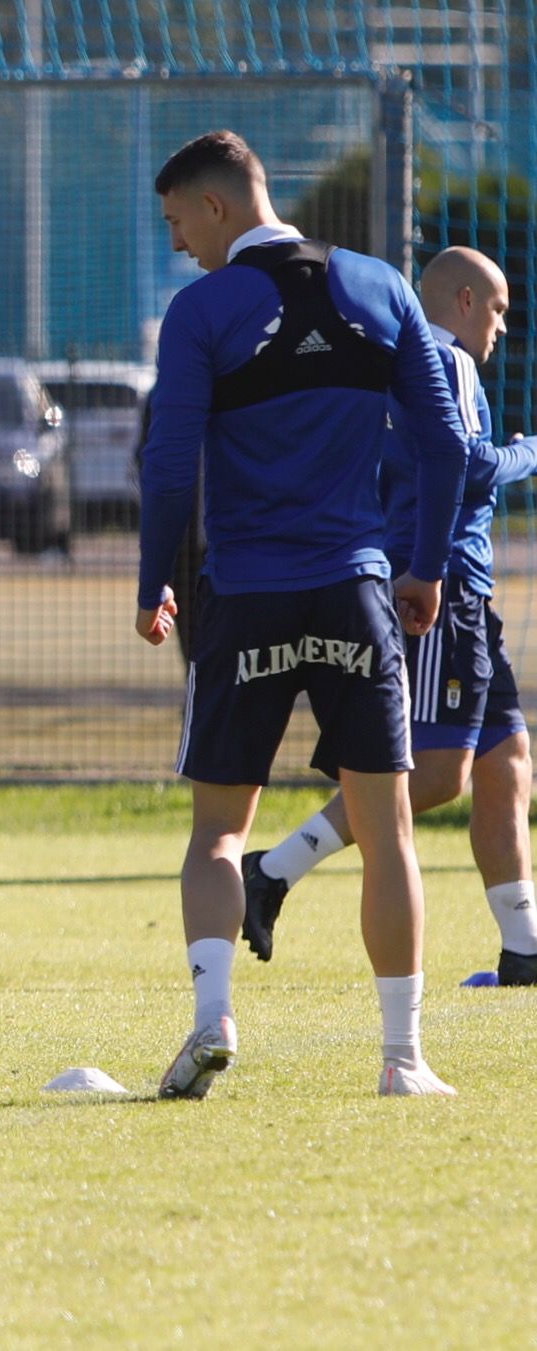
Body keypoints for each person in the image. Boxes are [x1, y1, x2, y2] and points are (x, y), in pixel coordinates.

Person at [135, 131, 471, 1099]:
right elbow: (441, 442)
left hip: (243, 595)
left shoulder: (202, 308)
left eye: (174, 223)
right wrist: (423, 568)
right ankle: (402, 1059)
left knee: (213, 833)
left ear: (213, 206)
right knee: (389, 827)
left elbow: (166, 462)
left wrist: (152, 578)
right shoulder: (380, 287)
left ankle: (210, 1020)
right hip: (356, 590)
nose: (176, 245)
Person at [243, 247, 537, 983]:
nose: (501, 326)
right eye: (498, 309)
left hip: (455, 591)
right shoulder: (447, 360)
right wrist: (528, 452)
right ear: (465, 301)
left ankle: (524, 952)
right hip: (440, 592)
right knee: (438, 776)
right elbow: (466, 465)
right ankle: (272, 871)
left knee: (507, 766)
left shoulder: (396, 363)